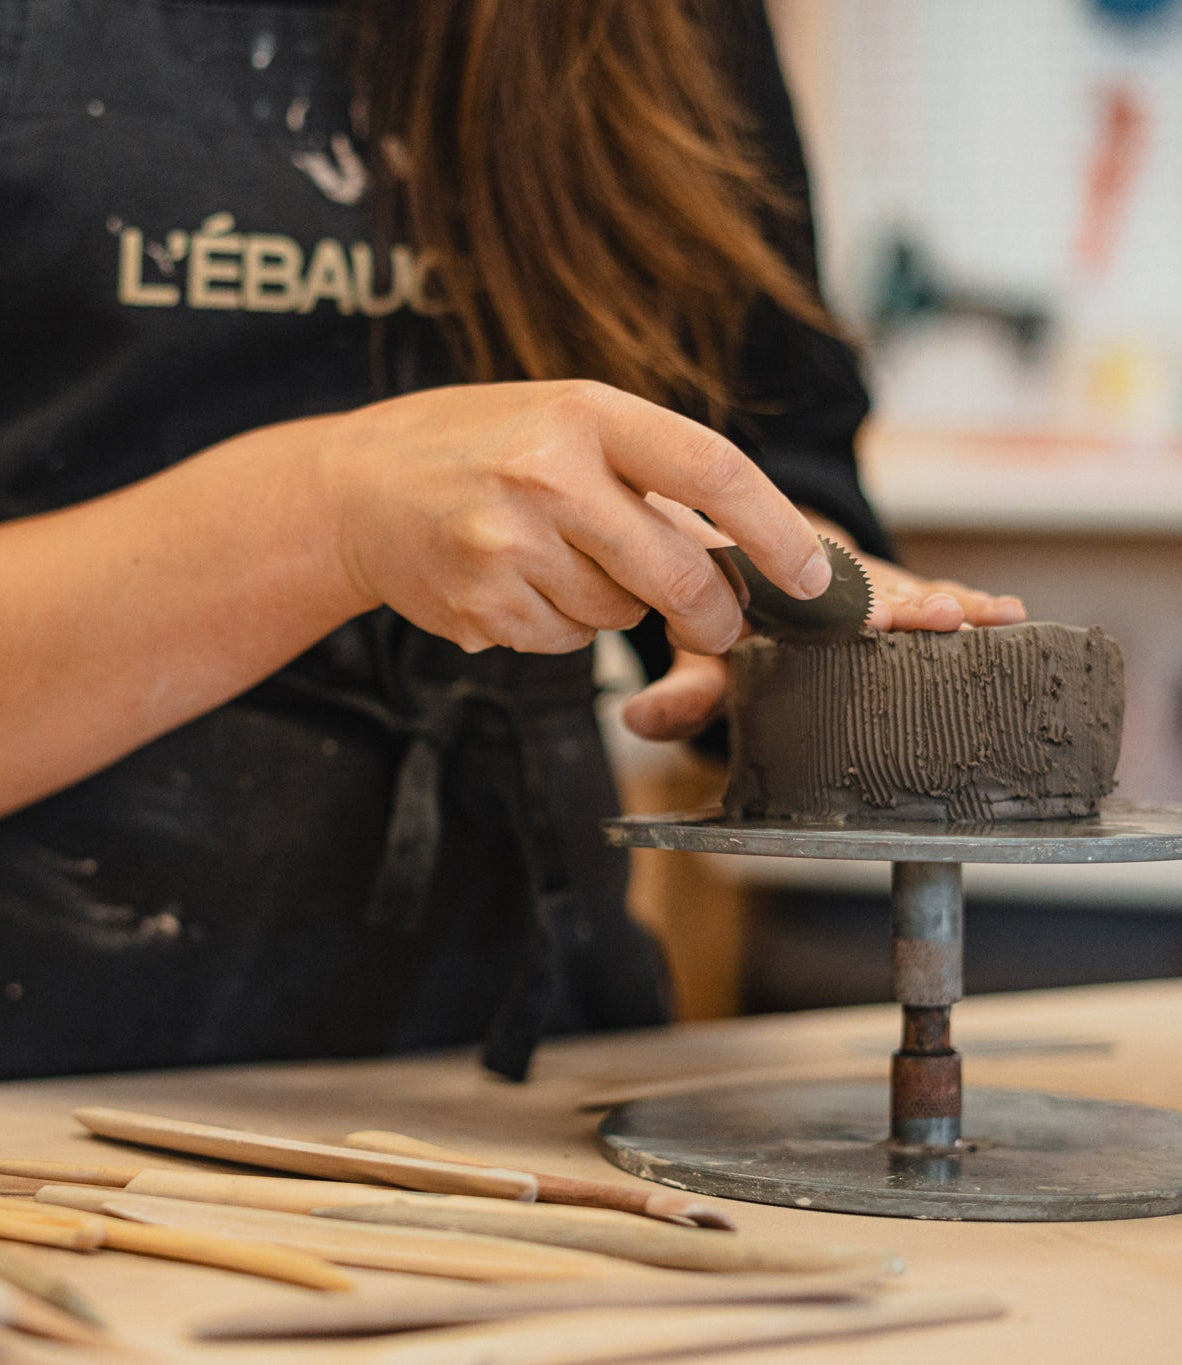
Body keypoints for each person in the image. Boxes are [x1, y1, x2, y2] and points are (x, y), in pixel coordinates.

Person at [0, 0, 1024, 1081]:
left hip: (527, 1068)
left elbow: (769, 440)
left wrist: (791, 614)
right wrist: (333, 511)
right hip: (48, 1089)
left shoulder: (664, 21)